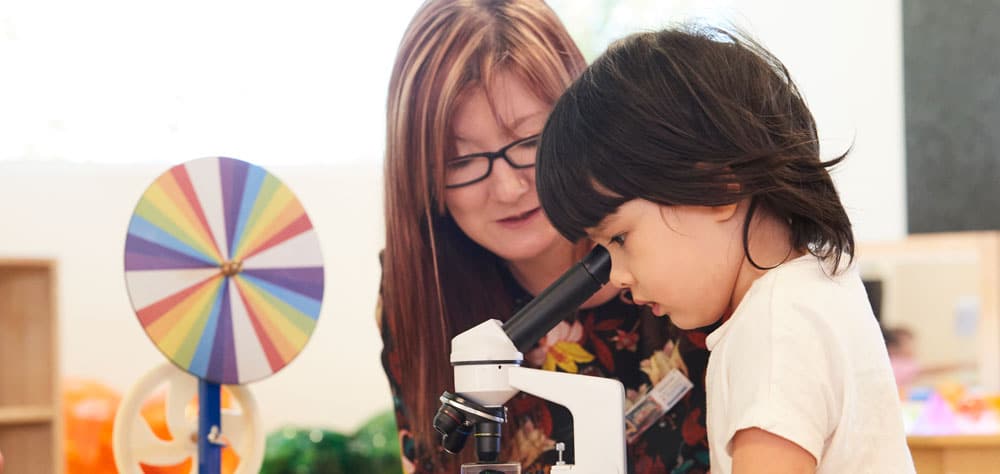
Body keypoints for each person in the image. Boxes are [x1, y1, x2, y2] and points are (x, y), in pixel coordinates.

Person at [534, 26, 916, 473]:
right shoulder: (821, 287)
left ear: (716, 189)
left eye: (619, 238)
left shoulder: (774, 329)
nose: (617, 276)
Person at [379, 1, 713, 473]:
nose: (508, 188)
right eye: (462, 161)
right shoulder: (421, 288)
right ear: (422, 177)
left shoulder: (689, 251)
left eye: (531, 143)